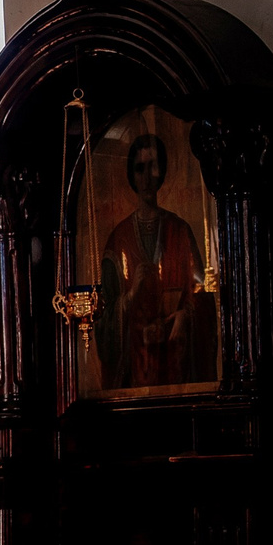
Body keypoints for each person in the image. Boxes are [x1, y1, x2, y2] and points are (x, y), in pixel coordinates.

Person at [98, 132, 206, 388]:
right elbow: (102, 316)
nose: (147, 177)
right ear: (131, 175)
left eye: (153, 167)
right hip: (135, 368)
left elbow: (202, 294)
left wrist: (185, 316)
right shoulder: (118, 240)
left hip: (175, 363)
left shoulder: (180, 231)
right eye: (140, 169)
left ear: (163, 170)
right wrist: (131, 296)